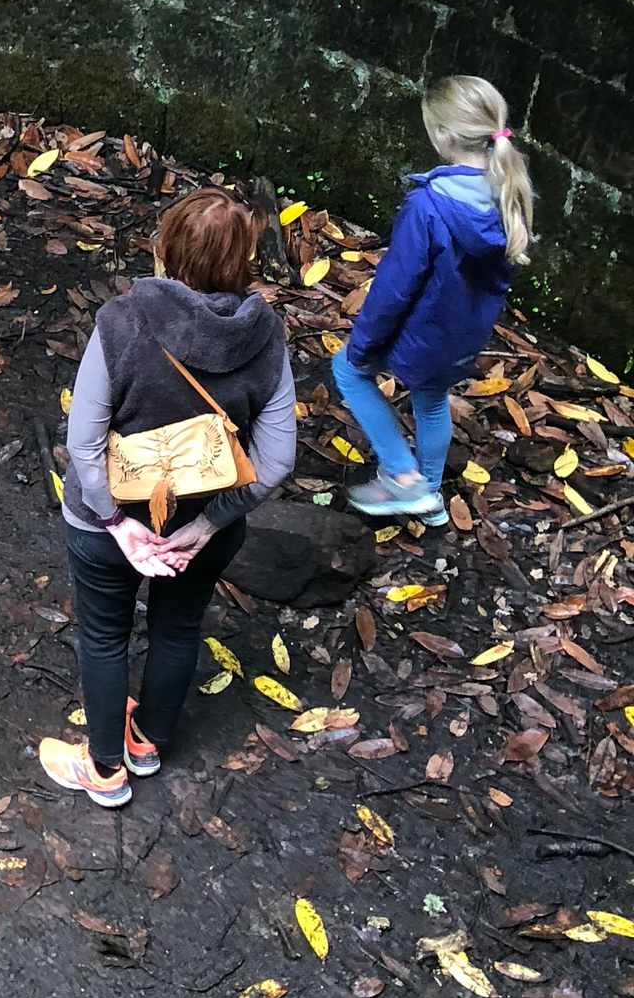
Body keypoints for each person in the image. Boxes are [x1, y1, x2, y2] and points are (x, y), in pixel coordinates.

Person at [39, 189, 297, 809]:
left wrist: (116, 523)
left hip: (110, 523)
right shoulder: (266, 336)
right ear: (245, 260)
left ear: (168, 248)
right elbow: (278, 460)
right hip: (201, 530)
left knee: (103, 636)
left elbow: (85, 440)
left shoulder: (124, 322)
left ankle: (103, 771)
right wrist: (208, 524)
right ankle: (147, 743)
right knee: (178, 628)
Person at [332, 74, 533, 525]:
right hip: (462, 334)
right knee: (431, 399)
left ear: (443, 135)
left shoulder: (428, 205)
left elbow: (394, 288)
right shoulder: (508, 191)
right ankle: (431, 496)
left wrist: (364, 342)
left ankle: (404, 479)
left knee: (347, 372)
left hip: (421, 331)